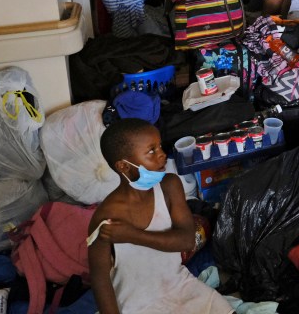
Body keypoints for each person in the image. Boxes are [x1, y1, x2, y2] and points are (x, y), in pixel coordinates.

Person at [89, 119, 232, 314]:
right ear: (124, 166)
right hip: (137, 305)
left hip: (179, 286)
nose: (162, 155)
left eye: (160, 146)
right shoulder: (106, 217)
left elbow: (186, 241)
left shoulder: (169, 186)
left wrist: (132, 235)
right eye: (151, 151)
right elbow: (100, 281)